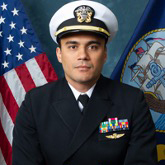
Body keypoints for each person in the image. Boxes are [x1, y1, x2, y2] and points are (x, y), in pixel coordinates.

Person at [12, 0, 157, 164]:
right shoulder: (35, 104)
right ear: (59, 54)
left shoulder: (132, 101)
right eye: (73, 47)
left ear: (105, 54)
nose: (83, 55)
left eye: (93, 47)